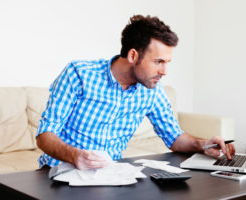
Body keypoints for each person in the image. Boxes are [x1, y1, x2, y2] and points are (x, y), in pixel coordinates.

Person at [36, 15, 235, 170]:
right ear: (133, 55)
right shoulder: (78, 74)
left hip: (108, 176)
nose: (164, 72)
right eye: (158, 62)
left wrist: (203, 144)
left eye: (167, 63)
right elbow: (45, 134)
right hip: (59, 171)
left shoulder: (152, 90)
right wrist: (75, 156)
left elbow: (174, 137)